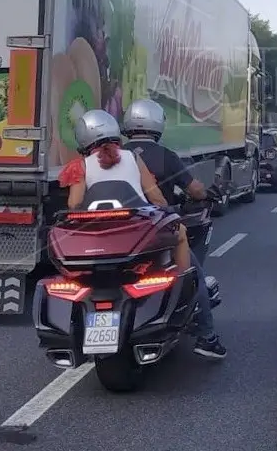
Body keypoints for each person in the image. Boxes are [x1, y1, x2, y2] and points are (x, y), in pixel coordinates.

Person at [58, 108, 225, 360]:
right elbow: (155, 196)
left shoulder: (79, 165)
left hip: (96, 239)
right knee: (181, 236)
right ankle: (183, 285)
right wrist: (164, 211)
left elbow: (74, 204)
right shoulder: (133, 158)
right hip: (133, 235)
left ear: (82, 139)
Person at [121, 98, 226, 360]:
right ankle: (207, 336)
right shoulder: (165, 156)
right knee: (193, 274)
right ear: (157, 123)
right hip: (156, 230)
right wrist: (205, 194)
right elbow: (194, 189)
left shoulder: (116, 154)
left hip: (118, 233)